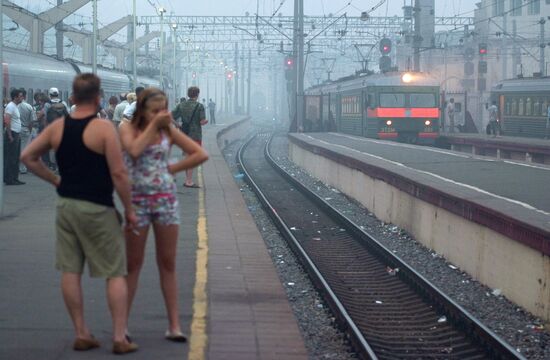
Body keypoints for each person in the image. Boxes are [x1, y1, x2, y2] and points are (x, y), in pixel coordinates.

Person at [20, 73, 139, 354]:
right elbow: (119, 173)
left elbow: (27, 157)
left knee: (70, 270)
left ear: (72, 98)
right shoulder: (104, 129)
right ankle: (120, 337)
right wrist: (130, 210)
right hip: (98, 207)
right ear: (98, 98)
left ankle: (81, 332)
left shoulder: (57, 128)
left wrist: (55, 180)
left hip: (66, 206)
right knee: (114, 272)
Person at [118, 87, 208, 343]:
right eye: (155, 110)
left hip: (165, 200)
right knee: (133, 264)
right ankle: (121, 325)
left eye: (163, 109)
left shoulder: (167, 130)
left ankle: (174, 325)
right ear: (143, 110)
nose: (160, 114)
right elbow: (134, 150)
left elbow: (200, 154)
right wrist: (154, 126)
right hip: (137, 201)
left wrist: (172, 168)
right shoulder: (126, 128)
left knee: (168, 263)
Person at [171, 86, 208, 188]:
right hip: (195, 135)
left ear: (188, 94)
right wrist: (205, 121)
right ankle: (188, 181)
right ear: (197, 94)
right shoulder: (199, 106)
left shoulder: (181, 105)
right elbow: (202, 121)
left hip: (184, 134)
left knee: (188, 156)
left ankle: (188, 180)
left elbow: (170, 116)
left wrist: (177, 124)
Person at [3, 88, 25, 185]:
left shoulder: (15, 106)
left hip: (16, 134)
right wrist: (10, 135)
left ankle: (14, 178)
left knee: (15, 157)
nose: (22, 97)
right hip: (12, 134)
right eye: (20, 96)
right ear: (15, 97)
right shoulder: (10, 106)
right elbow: (7, 120)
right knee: (11, 157)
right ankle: (9, 178)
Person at [18, 88, 37, 174]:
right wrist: (29, 130)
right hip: (25, 129)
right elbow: (32, 121)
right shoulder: (29, 107)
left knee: (15, 149)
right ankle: (23, 168)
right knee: (24, 149)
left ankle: (15, 166)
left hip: (15, 130)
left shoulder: (13, 106)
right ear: (25, 96)